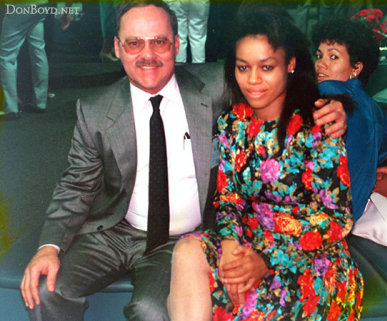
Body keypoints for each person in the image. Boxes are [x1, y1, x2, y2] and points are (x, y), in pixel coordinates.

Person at [20, 1, 347, 320]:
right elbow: (76, 185)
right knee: (48, 289)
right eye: (134, 43)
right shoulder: (94, 110)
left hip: (183, 239)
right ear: (116, 47)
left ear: (176, 44)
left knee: (153, 310)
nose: (147, 55)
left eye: (159, 42)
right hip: (116, 231)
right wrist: (49, 246)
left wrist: (327, 105)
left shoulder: (217, 85)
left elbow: (277, 74)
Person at [169, 3, 363, 321]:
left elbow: (336, 218)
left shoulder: (320, 122)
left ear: (290, 64)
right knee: (188, 252)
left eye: (267, 67)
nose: (253, 81)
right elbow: (229, 197)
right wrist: (230, 243)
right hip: (250, 240)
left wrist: (268, 259)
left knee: (254, 308)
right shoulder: (233, 122)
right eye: (243, 68)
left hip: (310, 256)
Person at [312, 17, 387, 221]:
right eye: (319, 55)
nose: (321, 64)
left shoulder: (326, 93)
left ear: (356, 68)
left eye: (333, 57)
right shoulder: (372, 105)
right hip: (351, 212)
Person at [0, 1, 49, 120]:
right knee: (38, 51)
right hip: (41, 4)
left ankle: (10, 107)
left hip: (19, 5)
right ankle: (40, 102)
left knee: (7, 56)